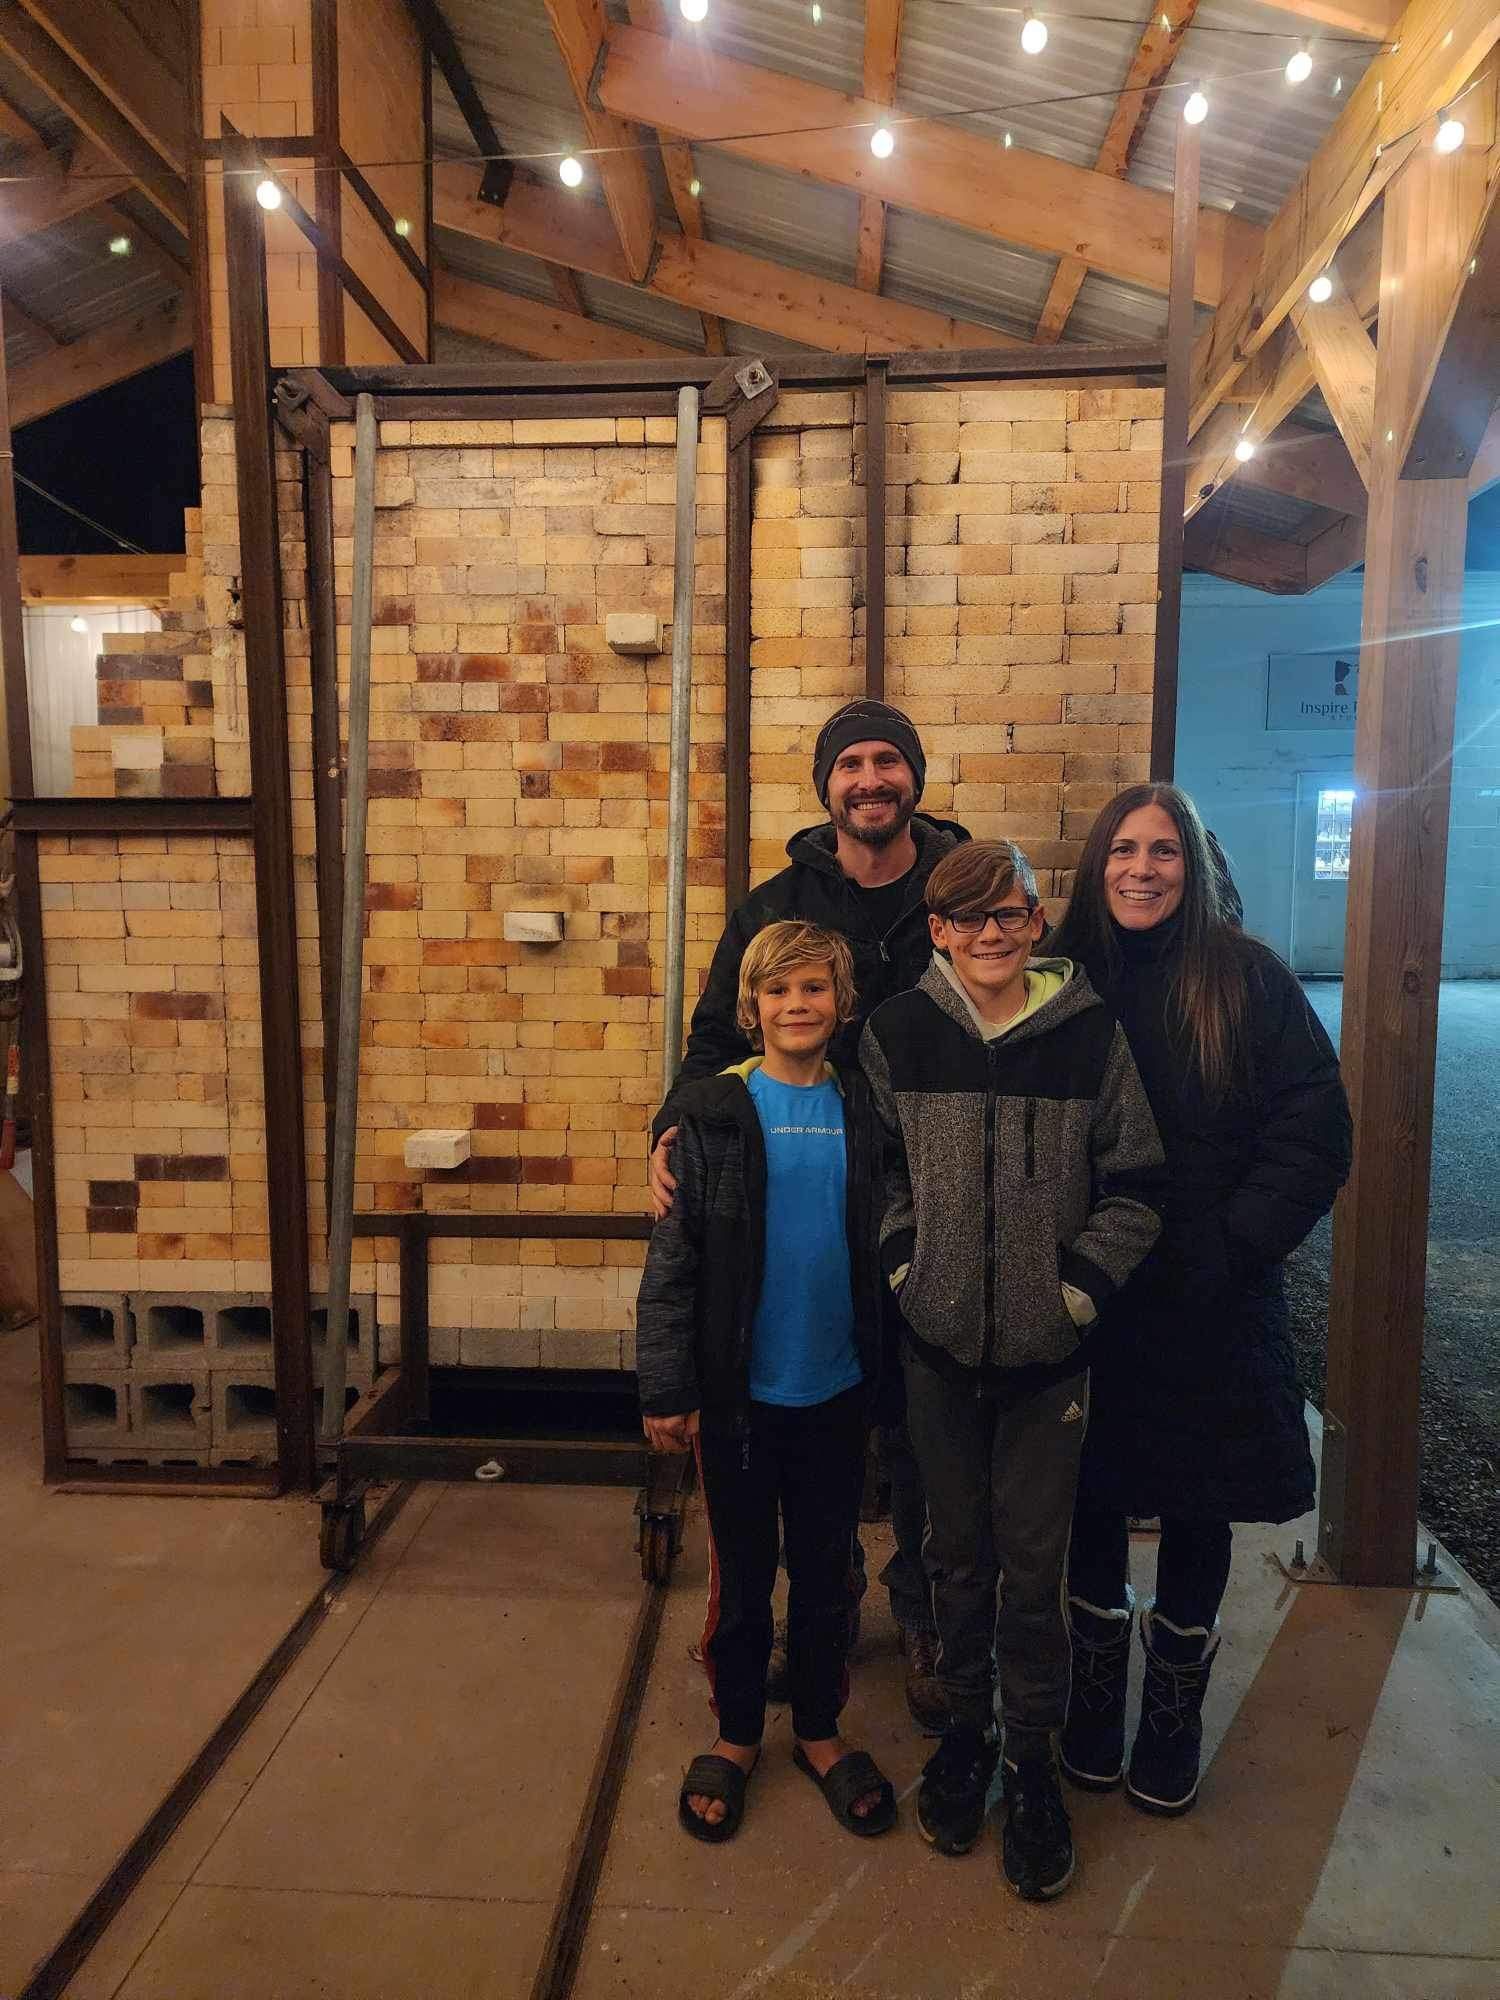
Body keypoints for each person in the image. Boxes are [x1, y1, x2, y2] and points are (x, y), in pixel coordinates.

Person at [649, 697, 965, 1732]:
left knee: (921, 1426)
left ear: (913, 777)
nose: (870, 780)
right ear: (827, 784)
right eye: (851, 764)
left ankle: (920, 1609)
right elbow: (709, 1038)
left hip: (941, 1196)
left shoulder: (963, 889)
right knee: (815, 1427)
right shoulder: (775, 902)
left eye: (888, 761)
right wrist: (671, 1131)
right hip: (812, 1202)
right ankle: (823, 1599)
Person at [860, 840, 1163, 1901]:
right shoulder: (896, 1034)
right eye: (969, 916)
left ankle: (1031, 1761)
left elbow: (1136, 1182)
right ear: (938, 929)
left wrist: (1074, 1292)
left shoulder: (1089, 1033)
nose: (993, 932)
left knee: (1034, 1574)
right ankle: (966, 1735)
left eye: (1013, 912)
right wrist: (909, 1269)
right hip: (936, 1352)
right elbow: (886, 1172)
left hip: (1049, 1365)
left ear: (1039, 922)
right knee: (954, 1559)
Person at [1047, 783, 1352, 1818]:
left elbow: (1314, 1125)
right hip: (1088, 1291)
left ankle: (1170, 1714)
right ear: (1098, 864)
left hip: (1210, 1296)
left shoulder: (1248, 977)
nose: (1142, 867)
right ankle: (1094, 1700)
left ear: (1196, 864)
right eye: (1124, 848)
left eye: (1164, 850)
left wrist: (1236, 1244)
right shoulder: (1059, 978)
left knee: (1198, 1498)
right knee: (1087, 1492)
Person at [636, 921, 897, 1845]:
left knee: (828, 1576)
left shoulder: (867, 1110)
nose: (798, 1006)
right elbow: (672, 1266)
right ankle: (738, 1732)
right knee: (743, 1582)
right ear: (750, 1009)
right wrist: (668, 1389)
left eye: (816, 990)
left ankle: (819, 1733)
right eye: (780, 992)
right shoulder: (711, 1113)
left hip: (837, 1391)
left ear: (842, 1003)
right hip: (740, 1401)